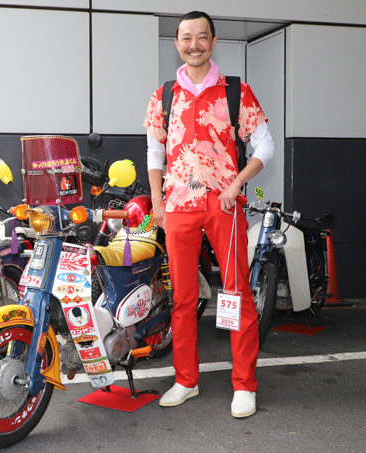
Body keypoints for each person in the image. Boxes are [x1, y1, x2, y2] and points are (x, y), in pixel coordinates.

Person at [143, 11, 275, 418]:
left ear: (213, 41)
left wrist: (237, 185)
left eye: (202, 37)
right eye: (186, 37)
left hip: (224, 206)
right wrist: (158, 206)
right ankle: (186, 379)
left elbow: (265, 146)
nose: (194, 44)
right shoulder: (163, 96)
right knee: (182, 299)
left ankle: (244, 385)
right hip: (179, 208)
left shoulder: (236, 91)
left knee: (236, 293)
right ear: (178, 43)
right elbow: (154, 152)